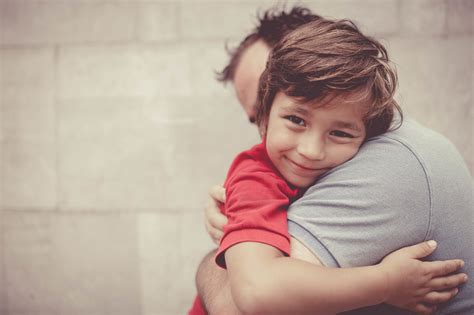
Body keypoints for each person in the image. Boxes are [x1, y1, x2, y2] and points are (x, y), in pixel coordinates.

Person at [193, 6, 474, 315]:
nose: (311, 150)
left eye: (340, 133)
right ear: (265, 116)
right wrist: (384, 283)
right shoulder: (256, 179)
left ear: (370, 127)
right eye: (295, 119)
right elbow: (257, 293)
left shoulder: (392, 161)